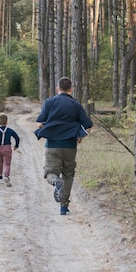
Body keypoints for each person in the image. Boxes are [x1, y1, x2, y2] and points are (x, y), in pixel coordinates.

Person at [35, 77, 93, 215]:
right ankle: (63, 207)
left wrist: (47, 129)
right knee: (68, 174)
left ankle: (56, 183)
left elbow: (39, 123)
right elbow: (88, 126)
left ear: (57, 89)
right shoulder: (76, 105)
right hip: (70, 146)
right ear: (71, 89)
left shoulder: (49, 102)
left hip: (52, 145)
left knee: (50, 173)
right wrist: (80, 136)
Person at [0, 113, 20, 187]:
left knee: (0, 162)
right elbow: (17, 137)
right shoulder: (10, 130)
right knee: (7, 163)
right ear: (7, 122)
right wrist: (16, 145)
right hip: (7, 148)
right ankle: (6, 176)